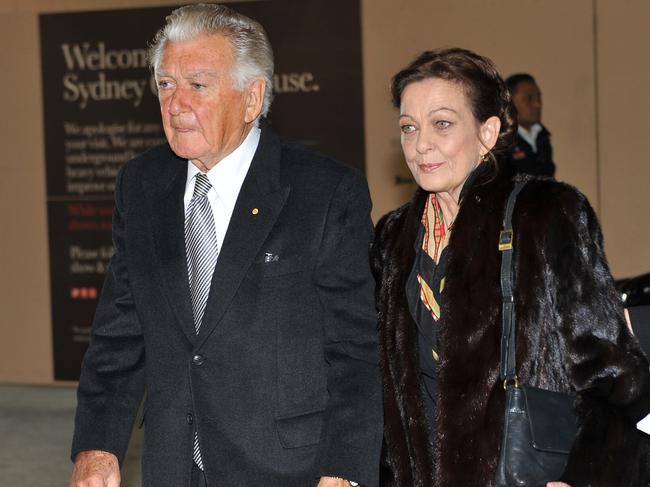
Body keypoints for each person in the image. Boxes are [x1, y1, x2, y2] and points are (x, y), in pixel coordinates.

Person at [69, 4, 381, 487]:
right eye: (166, 85)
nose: (175, 104)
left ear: (253, 98)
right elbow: (119, 331)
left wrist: (344, 469)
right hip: (174, 466)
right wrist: (97, 444)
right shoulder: (142, 185)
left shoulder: (325, 193)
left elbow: (355, 351)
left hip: (288, 469)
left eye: (197, 84)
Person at [370, 47, 650, 487]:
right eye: (408, 128)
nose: (420, 144)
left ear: (488, 131)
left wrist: (582, 476)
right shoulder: (392, 238)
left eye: (442, 123)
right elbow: (386, 388)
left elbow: (610, 369)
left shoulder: (545, 213)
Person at [506, 73, 556, 177]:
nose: (538, 104)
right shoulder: (502, 140)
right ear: (510, 102)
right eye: (529, 98)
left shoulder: (542, 135)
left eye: (538, 97)